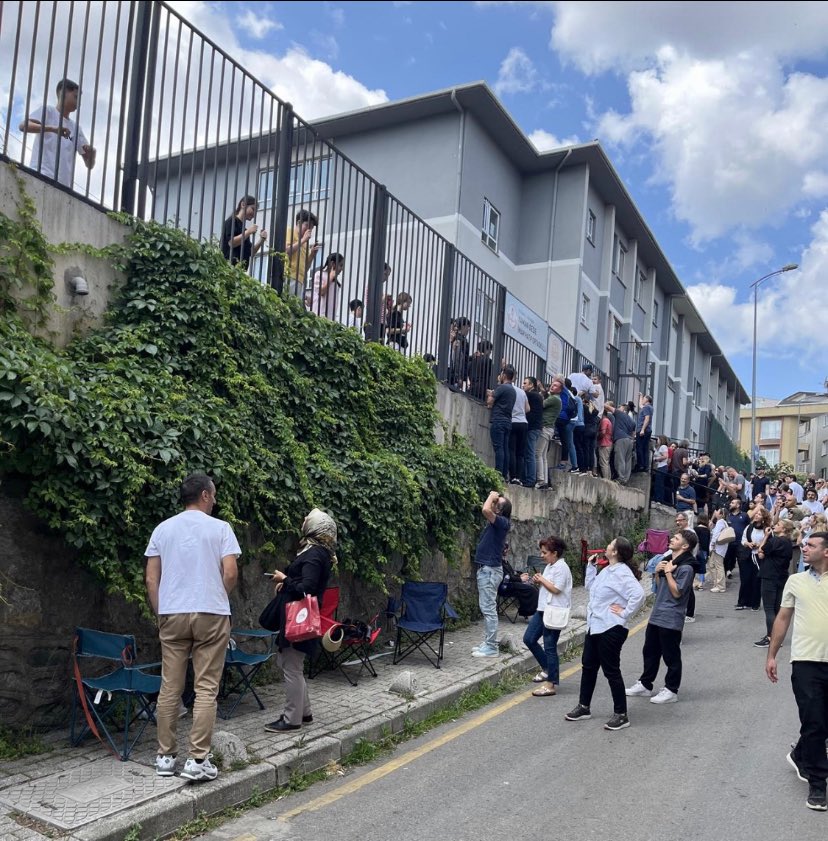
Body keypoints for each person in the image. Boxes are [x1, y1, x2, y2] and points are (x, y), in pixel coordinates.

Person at [144, 472, 240, 782]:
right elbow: (230, 573)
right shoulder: (221, 528)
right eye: (214, 495)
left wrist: (161, 612)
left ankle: (165, 757)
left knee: (170, 687)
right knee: (206, 688)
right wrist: (216, 597)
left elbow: (151, 579)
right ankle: (197, 760)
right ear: (205, 495)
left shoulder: (162, 529)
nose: (215, 500)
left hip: (172, 613)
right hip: (211, 612)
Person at [765, 531, 828, 812]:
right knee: (814, 722)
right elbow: (782, 618)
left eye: (811, 545)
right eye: (804, 544)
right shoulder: (796, 581)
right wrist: (772, 655)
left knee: (821, 724)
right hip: (805, 662)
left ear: (826, 551)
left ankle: (801, 753)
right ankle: (818, 784)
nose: (804, 547)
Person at [263, 509, 337, 732]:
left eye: (308, 519)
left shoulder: (314, 554)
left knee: (291, 666)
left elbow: (307, 588)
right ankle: (304, 713)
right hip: (299, 615)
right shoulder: (317, 552)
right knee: (293, 665)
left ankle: (291, 719)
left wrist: (284, 579)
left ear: (316, 526)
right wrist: (285, 583)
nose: (303, 520)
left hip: (299, 618)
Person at [565, 537, 646, 731]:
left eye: (610, 545)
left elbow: (639, 594)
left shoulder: (622, 572)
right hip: (595, 626)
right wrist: (591, 568)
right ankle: (584, 706)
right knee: (588, 667)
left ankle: (621, 714)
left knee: (611, 670)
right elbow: (590, 588)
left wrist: (625, 613)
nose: (607, 547)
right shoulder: (608, 570)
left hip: (611, 628)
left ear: (615, 552)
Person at [626, 529, 697, 705]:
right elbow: (660, 587)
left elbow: (678, 592)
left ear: (685, 546)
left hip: (671, 617)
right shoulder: (668, 561)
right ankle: (645, 684)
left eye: (676, 538)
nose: (672, 539)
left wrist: (668, 573)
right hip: (657, 613)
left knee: (671, 656)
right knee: (650, 651)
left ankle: (671, 690)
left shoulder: (687, 567)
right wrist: (658, 573)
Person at [20, 78, 96, 187]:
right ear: (62, 92)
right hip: (41, 175)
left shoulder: (76, 128)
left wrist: (92, 155)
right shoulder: (48, 111)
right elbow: (23, 126)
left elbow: (89, 164)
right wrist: (53, 129)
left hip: (64, 185)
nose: (78, 102)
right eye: (76, 97)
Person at [523, 536, 572, 697]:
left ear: (554, 553)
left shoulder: (561, 567)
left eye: (545, 552)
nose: (542, 555)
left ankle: (551, 684)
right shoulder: (550, 566)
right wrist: (540, 580)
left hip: (554, 611)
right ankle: (547, 668)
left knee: (550, 646)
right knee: (529, 639)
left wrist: (542, 579)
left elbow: (557, 589)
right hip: (543, 610)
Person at [473, 491, 512, 658]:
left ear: (500, 510)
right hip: (487, 570)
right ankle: (488, 642)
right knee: (487, 608)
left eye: (497, 503)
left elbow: (485, 510)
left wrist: (491, 495)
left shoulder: (502, 522)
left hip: (489, 571)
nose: (493, 504)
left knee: (488, 609)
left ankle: (491, 647)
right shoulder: (497, 523)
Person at [753, 519, 794, 648]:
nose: (775, 526)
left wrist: (766, 536)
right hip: (781, 576)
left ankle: (771, 637)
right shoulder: (788, 543)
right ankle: (777, 637)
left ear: (784, 529)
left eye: (778, 525)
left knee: (769, 608)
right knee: (777, 608)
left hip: (769, 575)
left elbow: (761, 550)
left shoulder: (775, 541)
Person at [220, 195, 267, 268]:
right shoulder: (231, 221)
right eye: (253, 209)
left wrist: (261, 239)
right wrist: (249, 231)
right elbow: (231, 242)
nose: (254, 214)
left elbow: (251, 252)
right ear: (243, 205)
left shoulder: (244, 230)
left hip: (239, 270)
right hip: (228, 268)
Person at [737, 506, 769, 611]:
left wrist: (759, 545)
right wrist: (748, 544)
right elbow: (743, 540)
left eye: (759, 514)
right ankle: (742, 602)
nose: (756, 515)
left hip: (759, 557)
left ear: (763, 517)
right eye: (756, 514)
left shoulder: (766, 529)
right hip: (747, 555)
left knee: (756, 580)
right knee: (745, 579)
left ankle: (755, 604)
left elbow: (769, 542)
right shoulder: (749, 527)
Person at [487, 368, 516, 480]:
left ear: (504, 375)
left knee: (499, 448)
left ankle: (498, 473)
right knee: (505, 448)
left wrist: (490, 395)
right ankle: (504, 474)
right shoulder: (513, 390)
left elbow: (490, 402)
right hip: (508, 421)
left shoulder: (502, 387)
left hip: (498, 420)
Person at [285, 210, 321, 298]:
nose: (309, 230)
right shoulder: (290, 231)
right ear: (299, 222)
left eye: (311, 228)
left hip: (300, 280)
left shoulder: (305, 243)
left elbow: (306, 267)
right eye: (307, 226)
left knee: (294, 305)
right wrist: (303, 240)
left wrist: (312, 255)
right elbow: (287, 250)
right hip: (288, 275)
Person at [536, 378, 562, 489]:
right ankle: (544, 480)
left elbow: (541, 404)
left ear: (559, 390)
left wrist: (540, 394)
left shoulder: (554, 399)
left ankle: (541, 480)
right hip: (549, 428)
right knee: (543, 456)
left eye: (555, 386)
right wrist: (543, 390)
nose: (552, 386)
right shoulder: (556, 399)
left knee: (538, 453)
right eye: (552, 384)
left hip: (545, 427)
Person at [508, 370, 530, 485]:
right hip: (523, 422)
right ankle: (519, 477)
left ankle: (513, 476)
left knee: (511, 450)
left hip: (513, 421)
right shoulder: (522, 392)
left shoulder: (508, 390)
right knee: (520, 453)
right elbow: (528, 409)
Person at [309, 252, 345, 320]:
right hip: (319, 315)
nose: (342, 269)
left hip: (330, 318)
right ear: (332, 264)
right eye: (340, 265)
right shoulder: (319, 274)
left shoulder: (335, 281)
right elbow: (321, 292)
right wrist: (331, 277)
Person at [523, 377, 544, 487]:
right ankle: (529, 478)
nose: (523, 385)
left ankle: (530, 479)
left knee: (530, 453)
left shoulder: (530, 395)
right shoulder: (538, 396)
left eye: (525, 383)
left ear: (531, 385)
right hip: (537, 428)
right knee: (530, 453)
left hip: (532, 427)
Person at [612, 402, 636, 485]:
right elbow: (633, 433)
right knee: (627, 460)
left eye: (620, 407)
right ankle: (625, 479)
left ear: (623, 409)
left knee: (620, 458)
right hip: (629, 440)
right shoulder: (632, 421)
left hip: (620, 439)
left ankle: (620, 478)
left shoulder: (619, 413)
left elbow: (608, 407)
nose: (618, 408)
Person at [707, 507, 730, 593]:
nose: (715, 512)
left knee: (718, 566)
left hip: (717, 547)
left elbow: (715, 535)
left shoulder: (720, 522)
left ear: (721, 514)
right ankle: (717, 583)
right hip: (720, 547)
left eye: (717, 511)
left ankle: (720, 586)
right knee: (712, 564)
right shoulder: (724, 522)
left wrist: (712, 545)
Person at [634, 394, 653, 473]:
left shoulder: (647, 407)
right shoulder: (648, 407)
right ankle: (644, 466)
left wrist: (642, 430)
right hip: (647, 430)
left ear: (647, 400)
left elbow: (647, 418)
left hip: (643, 430)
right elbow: (640, 405)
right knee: (644, 448)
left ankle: (641, 465)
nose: (643, 400)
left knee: (640, 448)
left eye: (644, 398)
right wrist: (641, 397)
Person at [597, 403, 614, 480]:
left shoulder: (604, 421)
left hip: (604, 443)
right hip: (609, 443)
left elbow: (603, 432)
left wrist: (597, 437)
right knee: (606, 462)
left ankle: (606, 479)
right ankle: (608, 479)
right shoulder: (608, 421)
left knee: (603, 463)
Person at [652, 435, 670, 503]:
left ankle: (659, 499)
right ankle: (658, 498)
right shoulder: (661, 447)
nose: (657, 441)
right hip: (660, 467)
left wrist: (656, 459)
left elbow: (665, 456)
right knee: (658, 483)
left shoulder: (663, 446)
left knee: (659, 484)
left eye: (658, 439)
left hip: (662, 466)